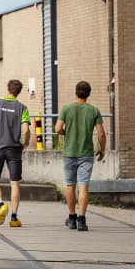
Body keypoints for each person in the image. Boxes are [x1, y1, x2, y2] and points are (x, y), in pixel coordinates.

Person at [55, 80, 106, 232]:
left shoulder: (66, 109)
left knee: (70, 185)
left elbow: (57, 128)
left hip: (69, 153)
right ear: (88, 94)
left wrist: (66, 132)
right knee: (84, 186)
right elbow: (102, 134)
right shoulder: (94, 111)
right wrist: (102, 150)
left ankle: (71, 218)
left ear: (75, 92)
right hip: (86, 154)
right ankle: (82, 221)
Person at [0, 79, 30, 227]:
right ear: (18, 92)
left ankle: (1, 205)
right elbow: (26, 130)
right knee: (15, 183)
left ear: (7, 88)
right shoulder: (22, 108)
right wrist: (26, 143)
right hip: (15, 149)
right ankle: (14, 218)